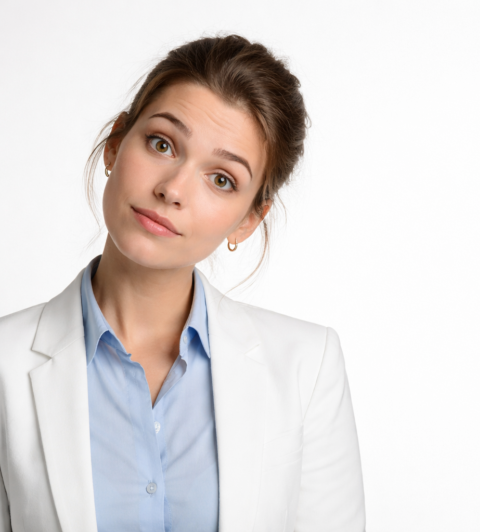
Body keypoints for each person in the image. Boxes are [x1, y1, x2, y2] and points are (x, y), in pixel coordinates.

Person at [0, 34, 365, 532]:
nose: (172, 189)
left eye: (221, 179)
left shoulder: (306, 367)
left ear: (248, 220)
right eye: (162, 144)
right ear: (115, 144)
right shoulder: (6, 364)